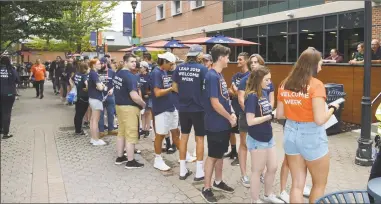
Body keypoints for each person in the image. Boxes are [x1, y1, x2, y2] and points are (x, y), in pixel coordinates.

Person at [276, 47, 340, 203]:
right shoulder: (316, 85)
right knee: (319, 184)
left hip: (290, 132)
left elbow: (279, 115)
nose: (321, 66)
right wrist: (333, 108)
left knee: (297, 185)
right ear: (312, 65)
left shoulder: (285, 83)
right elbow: (319, 119)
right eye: (320, 63)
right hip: (311, 135)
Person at [201, 44, 235, 203]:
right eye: (227, 57)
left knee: (220, 153)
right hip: (215, 123)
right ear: (221, 57)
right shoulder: (212, 76)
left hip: (223, 123)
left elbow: (224, 98)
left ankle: (218, 181)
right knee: (213, 156)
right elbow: (215, 103)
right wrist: (229, 117)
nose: (229, 59)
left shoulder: (219, 75)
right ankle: (206, 188)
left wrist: (232, 113)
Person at [244, 66, 283, 203]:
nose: (269, 82)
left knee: (273, 167)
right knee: (257, 170)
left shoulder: (263, 93)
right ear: (259, 79)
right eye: (267, 79)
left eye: (270, 79)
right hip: (257, 139)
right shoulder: (252, 96)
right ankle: (255, 199)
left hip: (268, 136)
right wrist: (269, 116)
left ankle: (268, 194)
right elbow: (250, 121)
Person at [172, 45, 208, 181]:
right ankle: (199, 172)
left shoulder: (179, 68)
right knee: (199, 139)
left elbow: (174, 87)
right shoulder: (203, 69)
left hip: (184, 108)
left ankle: (182, 171)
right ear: (199, 55)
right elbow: (206, 88)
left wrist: (184, 95)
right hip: (199, 108)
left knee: (184, 137)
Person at [236, 54, 268, 187]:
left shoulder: (266, 79)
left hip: (262, 118)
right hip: (246, 117)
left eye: (257, 62)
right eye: (252, 62)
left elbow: (270, 98)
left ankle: (260, 172)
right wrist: (251, 115)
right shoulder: (245, 80)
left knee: (261, 146)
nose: (254, 64)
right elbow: (241, 99)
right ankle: (244, 175)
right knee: (244, 144)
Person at [114, 54, 146, 169]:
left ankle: (120, 156)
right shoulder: (130, 76)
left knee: (121, 132)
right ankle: (130, 161)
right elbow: (134, 96)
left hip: (119, 106)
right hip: (129, 108)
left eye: (135, 61)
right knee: (131, 134)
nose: (134, 63)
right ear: (125, 62)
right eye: (131, 61)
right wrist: (143, 104)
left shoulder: (118, 74)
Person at [151, 52, 180, 171]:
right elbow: (157, 93)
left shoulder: (163, 72)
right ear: (165, 62)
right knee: (160, 135)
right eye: (171, 64)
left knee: (176, 132)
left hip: (171, 107)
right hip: (161, 109)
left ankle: (184, 154)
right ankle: (157, 159)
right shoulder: (156, 73)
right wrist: (171, 89)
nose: (172, 67)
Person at [226, 52, 250, 167]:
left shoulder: (250, 76)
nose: (238, 61)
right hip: (233, 107)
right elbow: (230, 91)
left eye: (240, 59)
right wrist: (235, 92)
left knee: (242, 134)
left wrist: (236, 91)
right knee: (231, 130)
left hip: (242, 109)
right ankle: (233, 151)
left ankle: (241, 157)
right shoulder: (235, 76)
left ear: (246, 61)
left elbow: (244, 94)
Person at [88, 59, 107, 146]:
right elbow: (100, 87)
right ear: (93, 65)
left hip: (92, 98)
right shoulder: (94, 74)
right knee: (95, 120)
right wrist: (102, 86)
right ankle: (96, 139)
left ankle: (93, 138)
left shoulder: (91, 73)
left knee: (92, 120)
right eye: (99, 63)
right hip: (96, 99)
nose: (101, 65)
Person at [98, 57, 118, 137]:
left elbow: (116, 83)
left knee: (111, 113)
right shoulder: (97, 72)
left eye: (102, 63)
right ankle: (101, 131)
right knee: (101, 114)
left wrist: (112, 89)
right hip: (100, 96)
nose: (100, 65)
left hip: (110, 96)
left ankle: (111, 129)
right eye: (99, 64)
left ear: (106, 63)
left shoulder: (112, 72)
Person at [0, 56, 19, 139]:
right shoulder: (11, 69)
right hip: (9, 94)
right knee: (6, 112)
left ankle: (1, 128)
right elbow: (17, 80)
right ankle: (5, 133)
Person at [71, 62, 90, 136]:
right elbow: (87, 84)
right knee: (80, 114)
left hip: (77, 97)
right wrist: (87, 89)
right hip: (84, 97)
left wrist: (74, 86)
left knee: (77, 113)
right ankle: (78, 131)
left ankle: (77, 129)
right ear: (85, 68)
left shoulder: (76, 74)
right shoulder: (84, 75)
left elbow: (70, 80)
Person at [139, 61, 152, 138]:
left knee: (148, 113)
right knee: (142, 113)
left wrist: (149, 94)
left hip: (148, 97)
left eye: (141, 67)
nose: (140, 69)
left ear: (145, 68)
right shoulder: (138, 76)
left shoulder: (149, 76)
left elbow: (152, 86)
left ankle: (147, 129)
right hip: (141, 97)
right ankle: (143, 128)